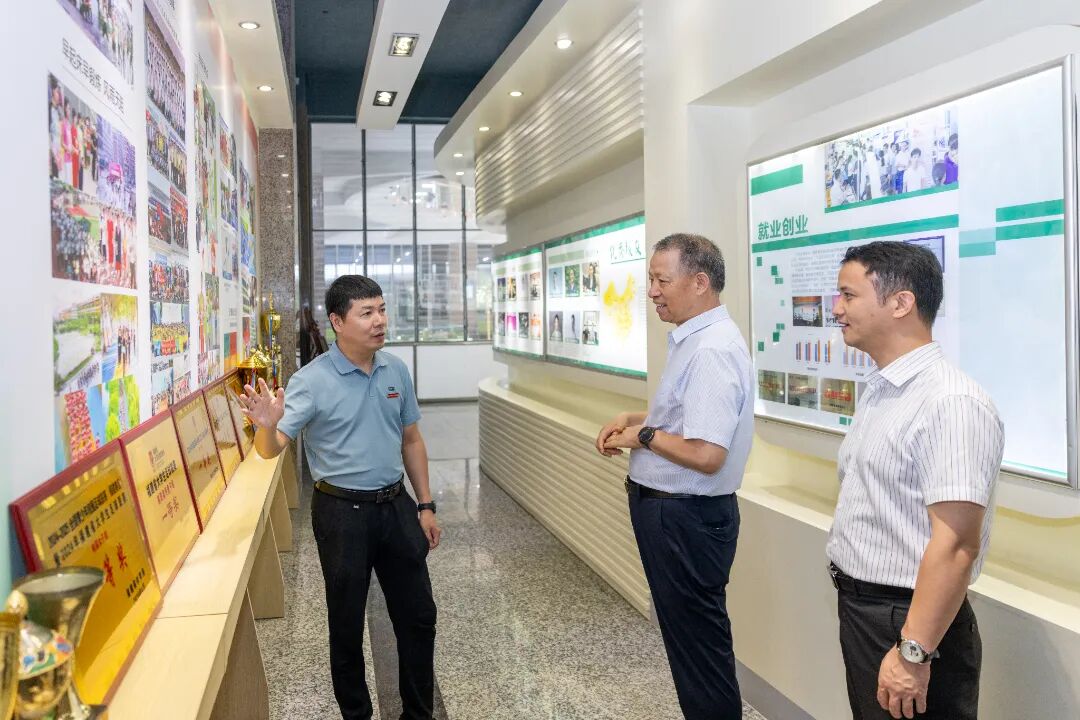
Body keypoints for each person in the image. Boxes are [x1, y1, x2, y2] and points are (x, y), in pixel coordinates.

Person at [238, 275, 442, 720]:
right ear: (337, 322)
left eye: (381, 310)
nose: (379, 321)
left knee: (419, 616)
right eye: (366, 313)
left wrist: (425, 504)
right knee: (346, 624)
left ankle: (418, 713)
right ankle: (356, 713)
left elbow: (411, 440)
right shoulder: (311, 381)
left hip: (396, 505)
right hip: (341, 513)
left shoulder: (395, 370)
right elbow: (271, 449)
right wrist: (266, 427)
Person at [827, 241, 1003, 720]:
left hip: (910, 625)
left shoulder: (951, 403)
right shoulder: (883, 391)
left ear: (901, 303)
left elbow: (956, 545)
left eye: (848, 295)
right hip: (869, 613)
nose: (836, 309)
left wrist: (913, 653)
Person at [595, 233, 753, 720]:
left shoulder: (710, 350)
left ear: (699, 282)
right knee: (694, 646)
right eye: (651, 280)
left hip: (685, 518)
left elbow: (706, 454)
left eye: (662, 281)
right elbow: (688, 419)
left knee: (699, 653)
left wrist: (643, 437)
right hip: (679, 517)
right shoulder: (698, 339)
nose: (652, 292)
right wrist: (636, 418)